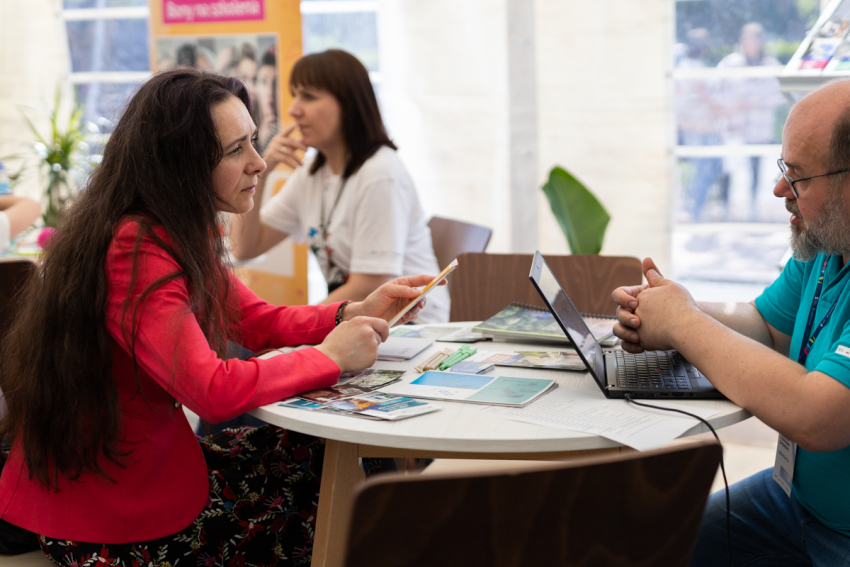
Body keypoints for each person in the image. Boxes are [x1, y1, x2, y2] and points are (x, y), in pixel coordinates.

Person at [0, 68, 435, 566]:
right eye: (235, 150)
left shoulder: (169, 229)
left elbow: (254, 319)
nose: (258, 163)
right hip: (111, 519)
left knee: (343, 454)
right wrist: (329, 357)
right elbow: (211, 389)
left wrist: (349, 312)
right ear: (181, 166)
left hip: (136, 477)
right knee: (351, 486)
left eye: (253, 141)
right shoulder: (136, 247)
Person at [612, 80, 850, 565]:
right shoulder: (828, 244)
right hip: (794, 503)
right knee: (658, 546)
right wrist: (671, 307)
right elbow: (766, 325)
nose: (779, 189)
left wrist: (683, 324)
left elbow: (817, 415)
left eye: (798, 177)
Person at [231, 49, 449, 324]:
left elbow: (368, 286)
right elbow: (245, 248)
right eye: (295, 95)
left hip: (410, 326)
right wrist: (260, 171)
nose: (293, 110)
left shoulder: (380, 173)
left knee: (261, 342)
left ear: (349, 105)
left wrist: (292, 326)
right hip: (361, 322)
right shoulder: (314, 172)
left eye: (308, 96)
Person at [716, 22, 785, 219]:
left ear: (760, 41)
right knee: (728, 168)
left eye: (753, 40)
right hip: (734, 126)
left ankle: (752, 206)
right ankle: (724, 205)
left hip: (758, 128)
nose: (748, 44)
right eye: (745, 39)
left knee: (755, 168)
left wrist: (757, 102)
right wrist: (733, 106)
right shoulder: (730, 63)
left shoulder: (770, 65)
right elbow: (717, 90)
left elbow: (780, 94)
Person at [675, 28, 723, 221]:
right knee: (703, 168)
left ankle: (697, 206)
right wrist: (722, 112)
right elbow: (704, 95)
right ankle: (695, 208)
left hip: (701, 126)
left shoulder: (691, 65)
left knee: (707, 167)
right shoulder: (690, 66)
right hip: (696, 126)